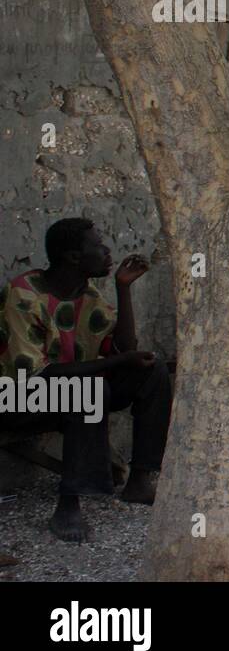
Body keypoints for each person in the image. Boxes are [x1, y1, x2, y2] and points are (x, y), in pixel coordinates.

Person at [0, 218, 171, 541]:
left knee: (153, 371)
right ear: (74, 257)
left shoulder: (86, 294)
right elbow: (37, 375)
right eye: (98, 245)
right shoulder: (23, 294)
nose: (107, 251)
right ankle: (68, 505)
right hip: (16, 397)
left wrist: (123, 288)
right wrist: (118, 360)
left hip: (74, 393)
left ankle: (139, 480)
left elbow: (125, 348)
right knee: (86, 389)